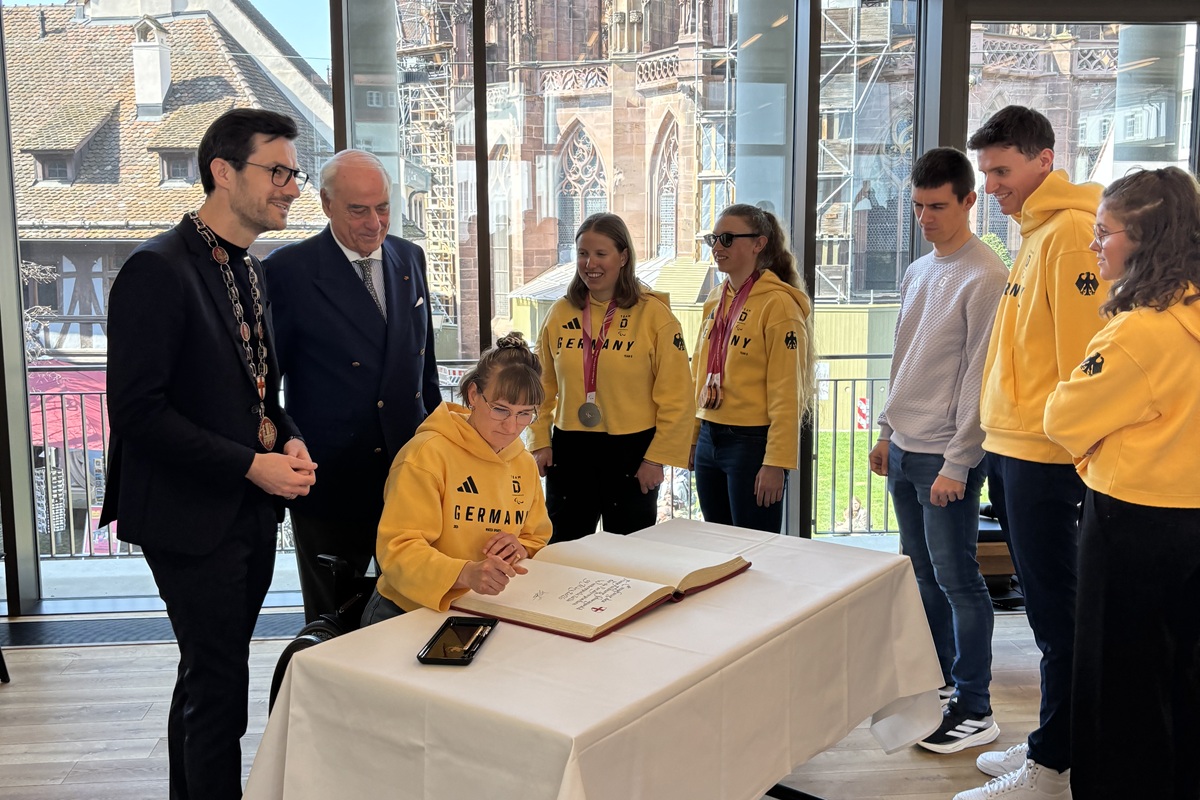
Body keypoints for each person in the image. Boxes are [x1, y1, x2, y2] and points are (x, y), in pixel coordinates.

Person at [99, 108, 318, 800]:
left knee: (206, 675)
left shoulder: (250, 269)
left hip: (243, 509)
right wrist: (251, 464)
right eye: (277, 171)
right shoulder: (156, 269)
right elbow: (138, 413)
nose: (291, 187)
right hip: (189, 517)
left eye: (294, 172)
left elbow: (257, 390)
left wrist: (289, 437)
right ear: (223, 172)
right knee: (220, 688)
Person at [956, 106, 1108, 800]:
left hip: (1050, 459)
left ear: (1044, 159)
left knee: (1060, 618)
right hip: (1018, 450)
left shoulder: (1072, 233)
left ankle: (1054, 769)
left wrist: (1069, 455)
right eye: (986, 171)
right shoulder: (1038, 232)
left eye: (1001, 170)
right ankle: (1054, 742)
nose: (991, 185)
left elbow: (1083, 366)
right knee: (1051, 618)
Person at [1044, 168, 1200, 800]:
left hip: (1133, 523)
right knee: (1184, 677)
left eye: (1104, 233)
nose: (1094, 246)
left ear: (1145, 239)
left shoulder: (1140, 331)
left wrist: (1098, 447)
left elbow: (1062, 418)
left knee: (1117, 681)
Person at [867, 147, 1008, 756]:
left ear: (969, 201)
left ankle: (975, 706)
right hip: (903, 446)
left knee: (959, 581)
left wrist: (958, 461)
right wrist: (884, 432)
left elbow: (980, 375)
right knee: (920, 573)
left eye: (938, 206)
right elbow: (904, 358)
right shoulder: (920, 269)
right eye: (919, 206)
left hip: (943, 457)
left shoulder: (986, 274)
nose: (926, 217)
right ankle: (940, 683)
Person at [263, 149, 440, 622]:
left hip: (409, 478)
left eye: (382, 207)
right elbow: (265, 388)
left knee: (413, 606)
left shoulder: (410, 256)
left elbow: (425, 373)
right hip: (330, 481)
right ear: (325, 204)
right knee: (332, 618)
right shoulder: (288, 271)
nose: (374, 223)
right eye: (357, 209)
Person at [361, 333, 552, 623]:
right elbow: (397, 552)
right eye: (501, 409)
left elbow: (536, 535)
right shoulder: (426, 454)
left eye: (525, 414)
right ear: (474, 395)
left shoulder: (523, 463)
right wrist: (464, 573)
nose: (512, 426)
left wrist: (520, 546)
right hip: (407, 609)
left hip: (486, 606)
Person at [530, 213, 694, 540]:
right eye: (582, 253)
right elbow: (541, 389)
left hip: (633, 452)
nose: (590, 263)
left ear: (623, 257)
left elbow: (677, 398)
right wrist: (540, 441)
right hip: (570, 447)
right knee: (564, 547)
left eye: (600, 254)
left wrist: (656, 458)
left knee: (630, 553)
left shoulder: (654, 315)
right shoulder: (560, 312)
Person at [690, 203, 816, 533]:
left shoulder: (778, 304)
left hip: (751, 443)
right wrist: (691, 440)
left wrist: (776, 462)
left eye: (728, 238)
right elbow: (698, 374)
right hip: (709, 436)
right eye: (714, 239)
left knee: (755, 550)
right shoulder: (716, 298)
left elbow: (787, 391)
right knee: (719, 547)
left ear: (759, 244)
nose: (717, 247)